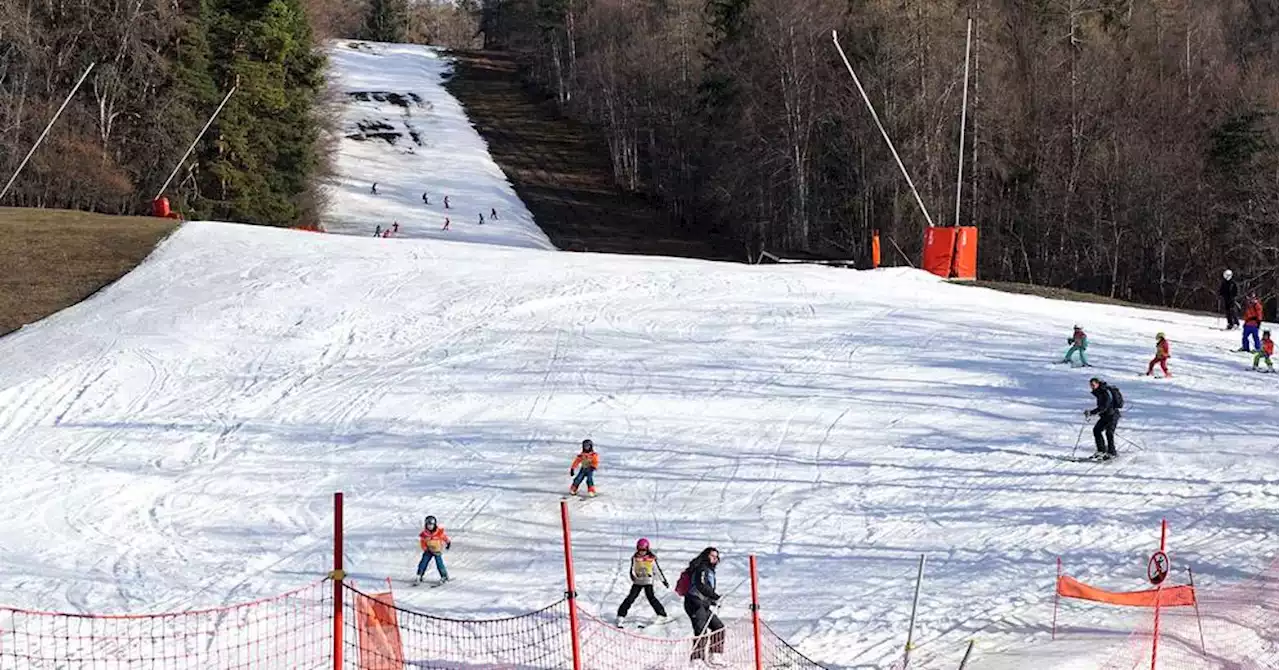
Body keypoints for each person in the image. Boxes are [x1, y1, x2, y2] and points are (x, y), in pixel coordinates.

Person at [682, 547, 724, 662]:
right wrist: (715, 596)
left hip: (703, 604)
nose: (715, 559)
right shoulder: (702, 568)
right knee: (701, 631)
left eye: (716, 557)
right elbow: (700, 585)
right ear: (706, 556)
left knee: (718, 627)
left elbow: (705, 590)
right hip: (694, 603)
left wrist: (712, 601)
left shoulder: (709, 570)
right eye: (712, 556)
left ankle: (714, 655)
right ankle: (697, 660)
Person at [616, 538, 669, 624]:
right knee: (631, 598)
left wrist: (663, 581)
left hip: (648, 580)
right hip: (638, 581)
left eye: (644, 550)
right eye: (640, 549)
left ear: (647, 549)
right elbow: (632, 569)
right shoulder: (635, 558)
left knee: (651, 597)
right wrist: (633, 576)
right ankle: (621, 615)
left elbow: (657, 570)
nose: (642, 552)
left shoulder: (651, 558)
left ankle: (662, 615)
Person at [1084, 377, 1120, 460]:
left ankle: (1112, 452)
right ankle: (1101, 451)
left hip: (1113, 415)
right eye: (1090, 385)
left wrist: (1091, 412)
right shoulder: (1099, 392)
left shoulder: (1104, 392)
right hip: (1105, 416)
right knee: (1096, 430)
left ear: (1098, 384)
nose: (1092, 387)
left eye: (1093, 385)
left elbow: (1104, 407)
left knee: (1109, 433)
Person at [416, 516, 451, 584]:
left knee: (439, 564)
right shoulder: (425, 534)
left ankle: (444, 576)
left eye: (431, 525)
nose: (430, 527)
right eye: (428, 525)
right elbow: (422, 542)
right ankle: (420, 574)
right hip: (428, 551)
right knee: (423, 562)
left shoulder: (438, 533)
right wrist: (425, 548)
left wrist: (448, 542)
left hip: (437, 551)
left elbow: (444, 537)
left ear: (434, 525)